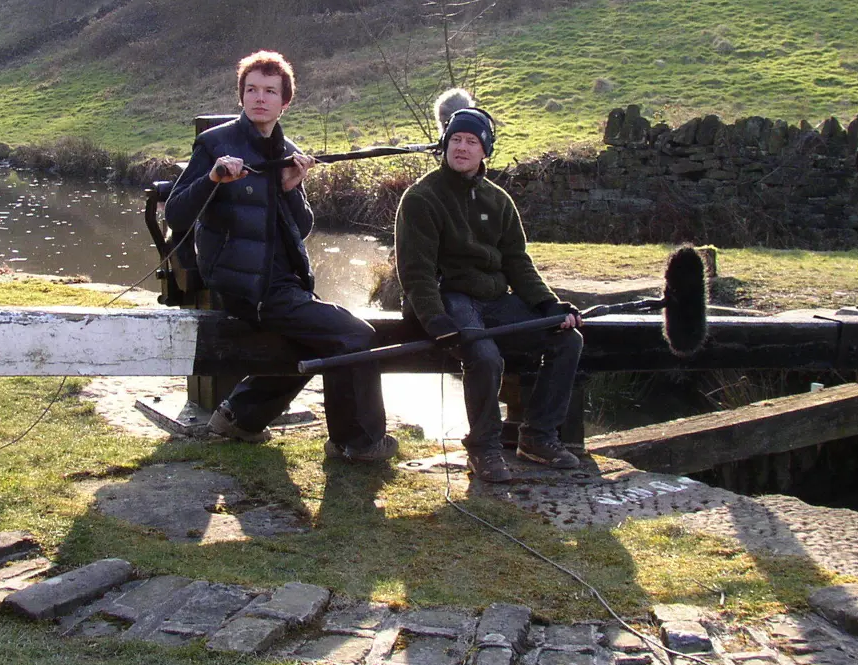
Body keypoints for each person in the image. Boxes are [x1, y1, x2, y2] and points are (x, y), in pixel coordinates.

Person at [164, 50, 396, 462]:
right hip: (242, 286)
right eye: (251, 89)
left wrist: (290, 189)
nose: (260, 98)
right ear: (241, 96)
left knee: (315, 340)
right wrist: (213, 177)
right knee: (355, 336)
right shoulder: (215, 144)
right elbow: (177, 213)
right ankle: (358, 443)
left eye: (270, 91)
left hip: (279, 283)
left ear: (285, 102)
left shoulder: (287, 150)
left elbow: (301, 230)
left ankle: (240, 416)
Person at [394, 88, 583, 483]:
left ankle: (537, 436)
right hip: (451, 297)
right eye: (456, 140)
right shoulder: (421, 198)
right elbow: (416, 272)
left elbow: (517, 262)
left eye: (472, 142)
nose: (462, 148)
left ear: (485, 151)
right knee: (484, 356)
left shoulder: (498, 201)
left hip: (495, 297)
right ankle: (483, 448)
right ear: (445, 144)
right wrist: (436, 321)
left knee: (566, 340)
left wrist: (549, 307)